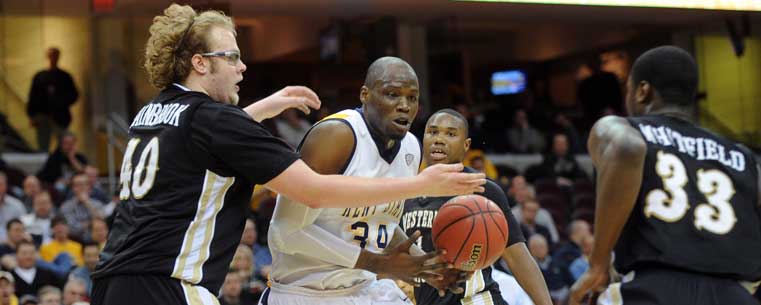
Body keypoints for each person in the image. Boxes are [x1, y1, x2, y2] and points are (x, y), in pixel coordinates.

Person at [90, 5, 485, 305]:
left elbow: (198, 145)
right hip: (168, 283)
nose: (243, 66)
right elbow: (312, 191)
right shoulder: (218, 120)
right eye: (231, 57)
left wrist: (263, 108)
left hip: (113, 280)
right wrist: (423, 182)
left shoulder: (154, 112)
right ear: (199, 63)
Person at [264, 57, 466, 305]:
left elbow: (381, 221)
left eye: (412, 98)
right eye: (392, 94)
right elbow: (284, 233)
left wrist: (427, 264)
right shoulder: (335, 136)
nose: (404, 105)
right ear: (365, 94)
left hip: (366, 288)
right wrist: (379, 264)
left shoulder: (411, 148)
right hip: (305, 292)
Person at [569, 46, 761, 305]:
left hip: (655, 288)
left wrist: (598, 264)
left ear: (642, 91)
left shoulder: (627, 129)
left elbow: (627, 148)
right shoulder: (742, 156)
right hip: (733, 294)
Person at [400, 109, 552, 305]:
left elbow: (517, 257)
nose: (439, 139)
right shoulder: (406, 191)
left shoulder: (482, 189)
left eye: (450, 134)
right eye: (433, 132)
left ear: (466, 145)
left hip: (476, 300)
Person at [26, 47, 79, 152]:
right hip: (43, 116)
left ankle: (62, 165)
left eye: (55, 55)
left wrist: (60, 102)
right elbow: (33, 97)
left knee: (64, 144)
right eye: (51, 55)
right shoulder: (40, 77)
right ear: (47, 57)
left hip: (60, 117)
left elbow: (73, 95)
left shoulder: (64, 77)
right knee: (43, 146)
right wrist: (32, 115)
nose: (53, 58)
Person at [59, 174, 104, 240]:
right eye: (78, 184)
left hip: (96, 240)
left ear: (89, 187)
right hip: (74, 240)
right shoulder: (66, 206)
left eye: (85, 184)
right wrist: (91, 224)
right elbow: (71, 228)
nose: (82, 187)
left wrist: (87, 203)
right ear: (73, 188)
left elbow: (102, 222)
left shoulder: (98, 204)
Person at [0, 173, 26, 244]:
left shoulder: (17, 205)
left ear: (6, 186)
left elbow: (24, 228)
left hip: (14, 246)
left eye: (1, 184)